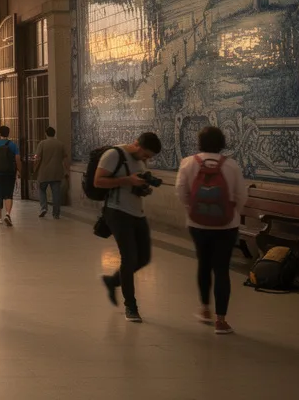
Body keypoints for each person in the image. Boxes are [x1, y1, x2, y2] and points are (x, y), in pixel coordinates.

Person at [176, 126, 247, 336]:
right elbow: (242, 195)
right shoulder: (231, 165)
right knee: (222, 269)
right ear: (222, 143)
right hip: (226, 226)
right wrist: (232, 214)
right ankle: (221, 321)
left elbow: (181, 191)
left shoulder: (188, 163)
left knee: (203, 264)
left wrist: (191, 209)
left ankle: (205, 309)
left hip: (197, 224)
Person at [94, 132, 163, 323]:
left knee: (144, 257)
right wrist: (128, 181)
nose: (146, 160)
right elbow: (98, 181)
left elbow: (133, 184)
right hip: (117, 212)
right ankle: (130, 306)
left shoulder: (140, 162)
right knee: (129, 257)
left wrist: (143, 188)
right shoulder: (113, 155)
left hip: (137, 213)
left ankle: (113, 281)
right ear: (138, 146)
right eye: (146, 155)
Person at [0, 125, 21, 225]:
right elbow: (17, 159)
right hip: (10, 173)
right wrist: (19, 170)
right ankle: (8, 214)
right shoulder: (13, 145)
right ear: (8, 133)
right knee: (9, 194)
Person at [33, 126, 69, 219]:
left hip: (43, 172)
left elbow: (37, 157)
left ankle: (43, 208)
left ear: (46, 133)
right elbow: (65, 159)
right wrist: (67, 171)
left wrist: (35, 168)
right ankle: (56, 213)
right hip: (57, 172)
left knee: (42, 190)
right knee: (56, 193)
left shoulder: (42, 143)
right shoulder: (60, 144)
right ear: (54, 133)